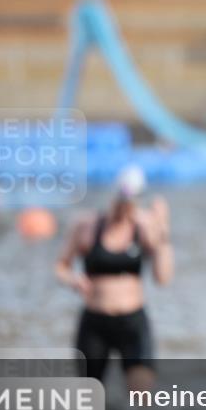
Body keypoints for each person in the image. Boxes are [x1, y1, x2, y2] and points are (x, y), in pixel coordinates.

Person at [55, 165, 173, 391]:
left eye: (131, 203)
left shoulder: (145, 227)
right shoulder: (87, 225)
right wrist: (73, 279)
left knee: (143, 393)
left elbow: (163, 278)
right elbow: (61, 266)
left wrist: (163, 232)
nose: (125, 209)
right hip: (95, 323)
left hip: (132, 322)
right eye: (121, 201)